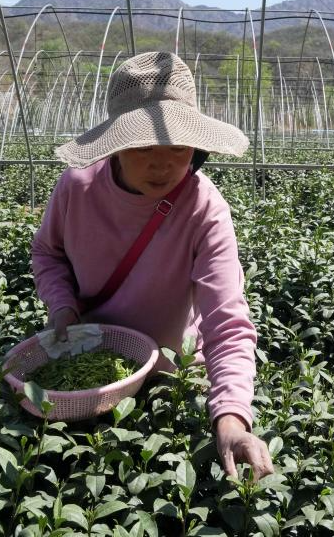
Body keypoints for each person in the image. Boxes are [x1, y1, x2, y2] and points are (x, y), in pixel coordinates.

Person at [31, 51, 274, 480]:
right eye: (144, 147)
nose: (162, 163)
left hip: (169, 375)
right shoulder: (77, 187)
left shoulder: (205, 208)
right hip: (89, 360)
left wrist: (232, 419)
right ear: (118, 145)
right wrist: (62, 308)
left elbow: (227, 322)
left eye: (179, 147)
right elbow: (48, 254)